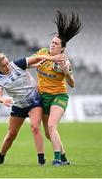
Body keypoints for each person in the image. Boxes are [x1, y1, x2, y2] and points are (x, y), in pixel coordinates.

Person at [0, 50, 63, 165]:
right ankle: (0, 157)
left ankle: (41, 160)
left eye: (7, 63)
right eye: (4, 65)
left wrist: (52, 58)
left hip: (34, 101)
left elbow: (37, 57)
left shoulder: (17, 64)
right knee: (11, 134)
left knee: (35, 127)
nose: (8, 66)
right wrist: (4, 100)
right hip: (19, 105)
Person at [34, 10, 82, 166]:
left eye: (56, 43)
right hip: (43, 97)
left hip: (58, 96)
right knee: (48, 133)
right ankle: (65, 159)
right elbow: (31, 63)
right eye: (52, 42)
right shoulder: (42, 53)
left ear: (62, 49)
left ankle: (56, 159)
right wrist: (36, 63)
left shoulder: (63, 63)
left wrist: (67, 73)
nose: (52, 44)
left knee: (51, 125)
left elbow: (72, 84)